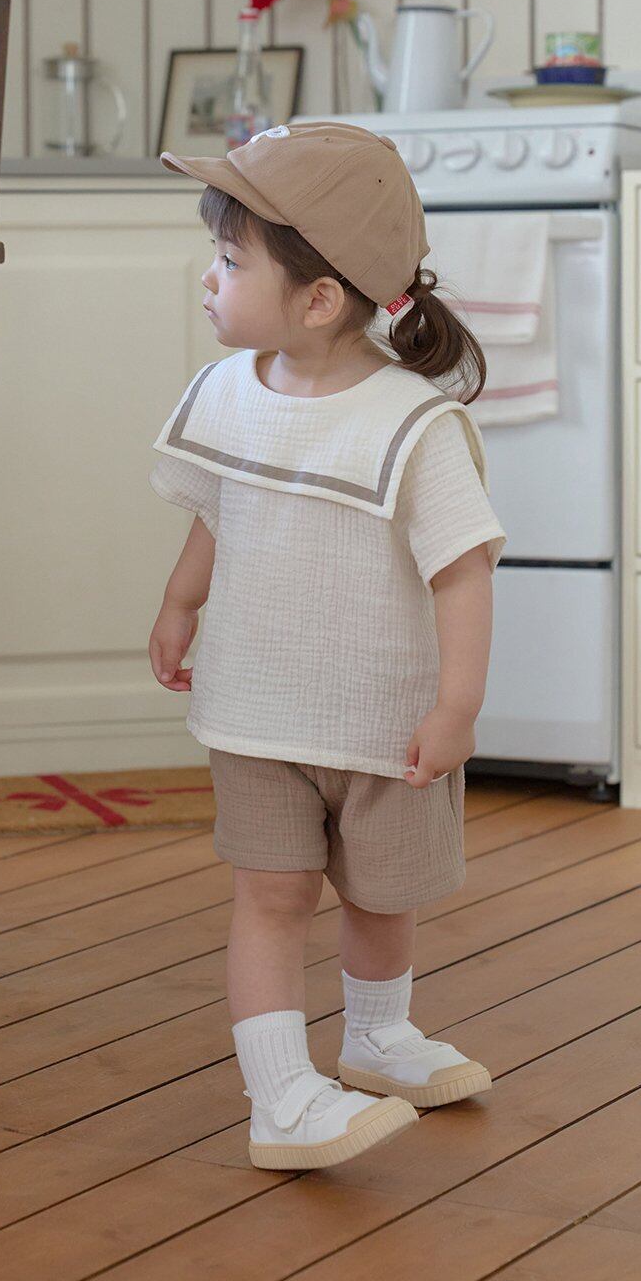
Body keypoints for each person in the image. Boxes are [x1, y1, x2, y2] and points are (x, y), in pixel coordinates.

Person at [146, 120, 507, 1171]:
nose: (208, 278)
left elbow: (462, 571)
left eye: (229, 261)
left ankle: (376, 1037)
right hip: (256, 714)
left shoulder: (411, 424)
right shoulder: (226, 392)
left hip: (382, 723)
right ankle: (280, 1098)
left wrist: (457, 707)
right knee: (269, 898)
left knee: (383, 897)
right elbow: (219, 511)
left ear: (316, 300)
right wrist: (180, 603)